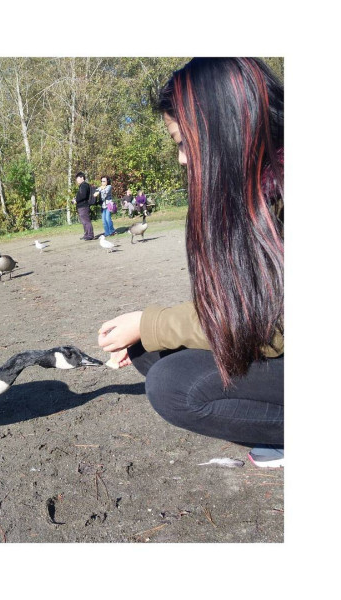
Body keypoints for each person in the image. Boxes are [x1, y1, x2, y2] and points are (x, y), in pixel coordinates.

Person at [98, 58, 284, 467]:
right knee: (147, 349)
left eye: (182, 142)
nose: (182, 160)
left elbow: (273, 325)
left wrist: (151, 323)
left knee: (173, 385)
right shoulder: (256, 191)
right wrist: (147, 331)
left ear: (223, 127)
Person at [72, 171, 94, 240]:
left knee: (86, 221)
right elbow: (81, 195)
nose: (77, 180)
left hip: (83, 206)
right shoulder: (82, 186)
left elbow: (83, 195)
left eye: (77, 178)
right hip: (81, 206)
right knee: (84, 222)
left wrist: (76, 200)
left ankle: (90, 235)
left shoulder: (84, 185)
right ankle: (86, 234)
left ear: (82, 178)